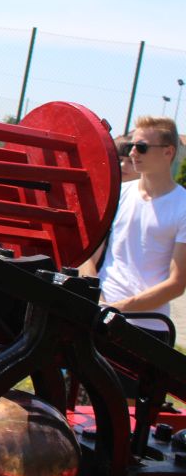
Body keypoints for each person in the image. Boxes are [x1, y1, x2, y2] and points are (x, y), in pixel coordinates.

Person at [80, 116, 186, 345]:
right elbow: (89, 256)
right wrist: (99, 300)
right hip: (98, 316)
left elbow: (177, 283)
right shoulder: (118, 193)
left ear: (168, 152)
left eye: (141, 147)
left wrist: (117, 308)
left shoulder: (183, 206)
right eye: (131, 146)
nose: (133, 153)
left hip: (147, 327)